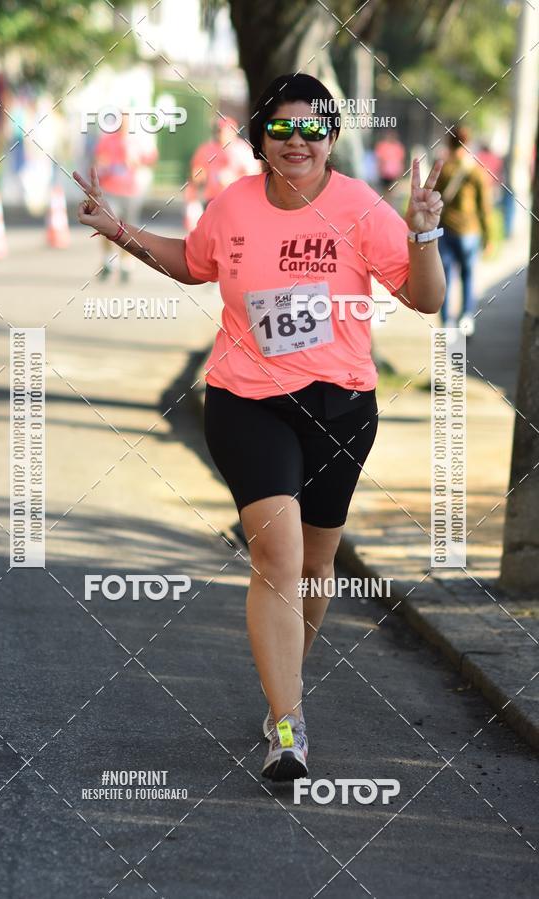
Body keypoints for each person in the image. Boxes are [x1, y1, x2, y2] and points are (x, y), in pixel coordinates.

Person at [73, 73, 445, 782]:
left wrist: (424, 230)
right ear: (260, 139)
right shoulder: (236, 204)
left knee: (313, 566)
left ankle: (286, 686)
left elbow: (424, 299)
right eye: (282, 129)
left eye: (312, 129)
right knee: (275, 560)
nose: (297, 142)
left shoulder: (361, 208)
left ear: (332, 137)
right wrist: (116, 227)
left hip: (340, 407)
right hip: (248, 400)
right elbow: (193, 262)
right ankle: (287, 724)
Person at [435, 125, 492, 336]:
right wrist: (489, 236)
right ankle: (467, 319)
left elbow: (433, 196)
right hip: (470, 232)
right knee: (468, 277)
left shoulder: (443, 168)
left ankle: (447, 323)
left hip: (446, 231)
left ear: (449, 143)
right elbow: (484, 206)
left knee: (446, 279)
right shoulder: (476, 170)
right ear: (467, 143)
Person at [93, 114, 158, 282]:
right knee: (106, 225)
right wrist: (103, 165)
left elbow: (151, 158)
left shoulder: (137, 141)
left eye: (127, 121)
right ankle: (108, 261)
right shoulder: (107, 141)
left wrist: (139, 161)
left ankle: (126, 264)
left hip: (130, 191)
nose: (124, 124)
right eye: (121, 120)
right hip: (110, 189)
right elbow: (99, 160)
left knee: (127, 230)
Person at [184, 116, 260, 227]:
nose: (222, 134)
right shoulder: (207, 149)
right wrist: (192, 203)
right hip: (212, 200)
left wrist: (234, 178)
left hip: (237, 201)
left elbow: (255, 176)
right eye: (220, 130)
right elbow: (196, 175)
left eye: (226, 130)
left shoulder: (244, 151)